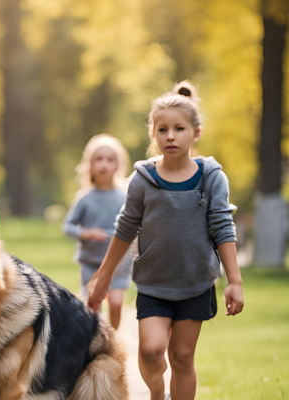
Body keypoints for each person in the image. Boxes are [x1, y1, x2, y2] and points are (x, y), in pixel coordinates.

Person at [88, 81, 245, 400]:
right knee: (150, 350)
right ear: (153, 134)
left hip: (195, 284)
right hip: (154, 285)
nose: (170, 136)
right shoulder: (143, 180)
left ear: (195, 133)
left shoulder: (211, 176)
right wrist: (103, 277)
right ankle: (157, 392)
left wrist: (235, 280)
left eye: (179, 129)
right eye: (162, 129)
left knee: (183, 356)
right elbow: (125, 228)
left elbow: (222, 227)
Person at [62, 134, 134, 330]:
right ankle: (94, 341)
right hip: (90, 264)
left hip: (119, 266)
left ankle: (112, 339)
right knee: (92, 308)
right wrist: (86, 233)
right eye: (98, 159)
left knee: (117, 304)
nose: (104, 164)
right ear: (89, 164)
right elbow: (68, 226)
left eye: (110, 160)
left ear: (118, 165)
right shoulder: (85, 197)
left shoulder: (125, 196)